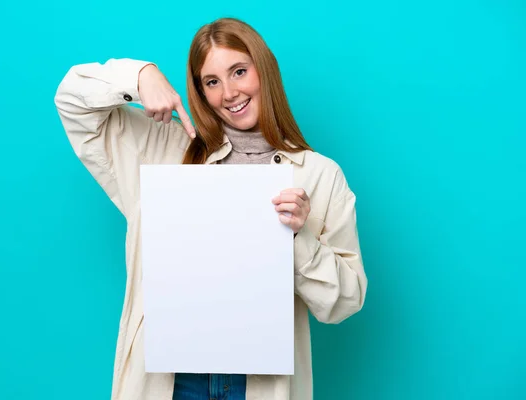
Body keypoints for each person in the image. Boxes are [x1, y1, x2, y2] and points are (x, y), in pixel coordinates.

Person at [54, 17, 367, 400]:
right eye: (212, 81)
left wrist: (300, 238)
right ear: (200, 91)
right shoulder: (165, 150)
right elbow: (71, 101)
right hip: (171, 381)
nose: (230, 92)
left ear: (263, 69)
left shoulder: (319, 175)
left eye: (239, 71)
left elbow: (346, 302)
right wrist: (141, 76)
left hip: (258, 384)